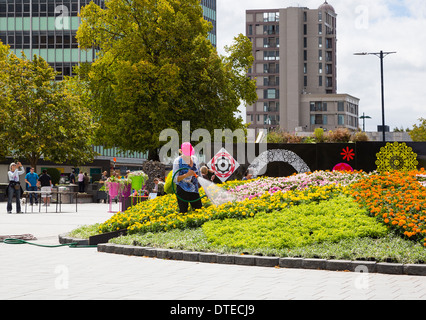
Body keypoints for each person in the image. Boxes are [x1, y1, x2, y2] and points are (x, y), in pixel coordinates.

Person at [172, 142, 202, 213]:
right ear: (181, 151)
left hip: (194, 189)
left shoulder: (195, 159)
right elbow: (175, 179)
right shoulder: (177, 161)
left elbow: (199, 174)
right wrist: (186, 175)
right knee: (183, 212)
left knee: (199, 210)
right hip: (182, 190)